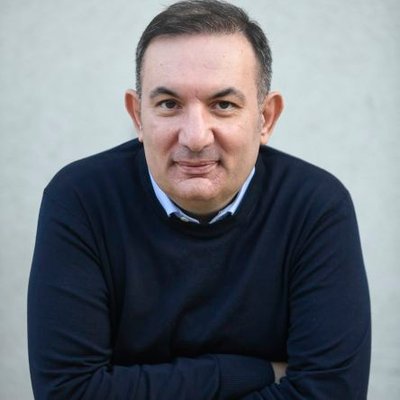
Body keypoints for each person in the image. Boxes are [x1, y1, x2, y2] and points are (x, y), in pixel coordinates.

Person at [28, 0, 371, 399]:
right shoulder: (81, 201)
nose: (195, 137)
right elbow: (68, 392)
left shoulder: (315, 208)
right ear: (138, 116)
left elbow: (330, 393)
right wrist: (251, 372)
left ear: (266, 118)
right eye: (169, 104)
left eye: (223, 105)